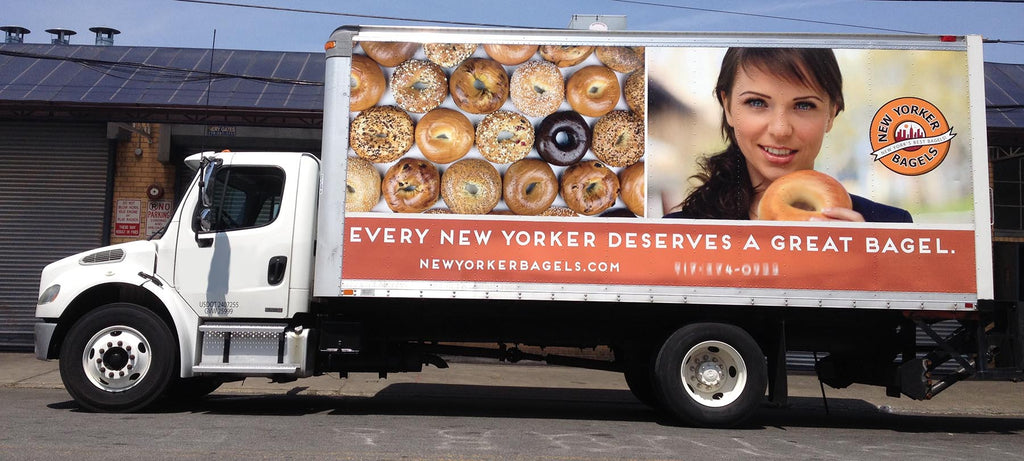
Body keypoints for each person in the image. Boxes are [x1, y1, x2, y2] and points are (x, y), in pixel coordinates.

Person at [664, 47, 911, 223]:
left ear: (831, 114)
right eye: (757, 102)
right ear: (727, 107)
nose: (780, 130)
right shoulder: (682, 234)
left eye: (804, 105)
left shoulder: (887, 227)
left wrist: (863, 264)